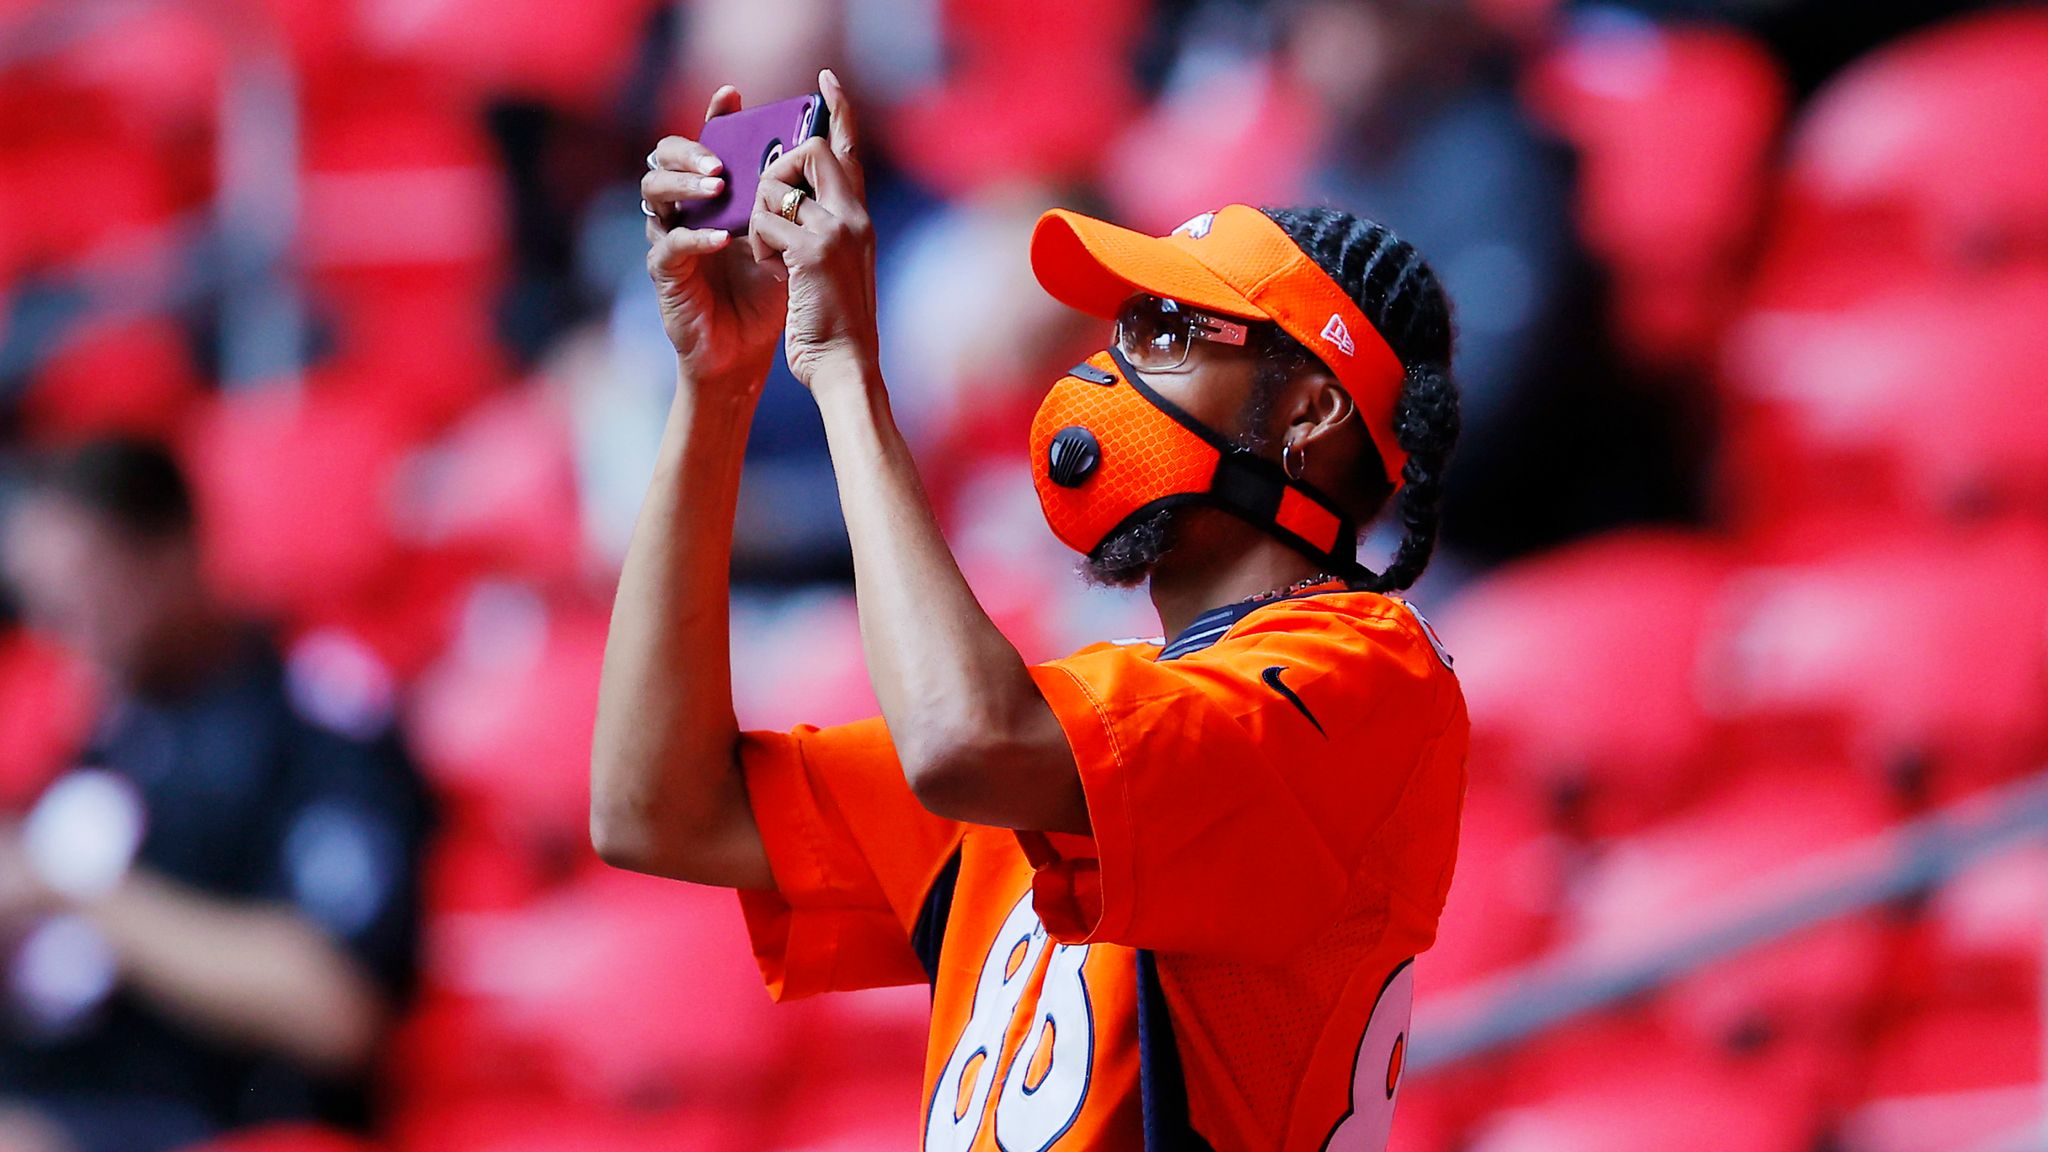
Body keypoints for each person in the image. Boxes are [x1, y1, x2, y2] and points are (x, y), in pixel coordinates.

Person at [593, 71, 1468, 1152]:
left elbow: (963, 739)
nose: (1104, 370)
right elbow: (654, 811)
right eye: (1117, 332)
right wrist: (717, 387)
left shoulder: (1368, 673)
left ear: (1308, 408)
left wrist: (841, 369)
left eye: (1164, 333)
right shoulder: (1086, 725)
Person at [0, 439, 433, 1152]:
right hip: (56, 1087)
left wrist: (73, 891)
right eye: (44, 603)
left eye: (85, 592)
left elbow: (332, 1008)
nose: (59, 633)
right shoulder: (106, 730)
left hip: (214, 1117)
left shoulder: (312, 719)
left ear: (173, 552)